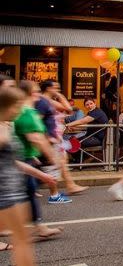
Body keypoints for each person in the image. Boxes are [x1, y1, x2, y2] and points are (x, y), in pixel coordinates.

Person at [1, 86, 56, 266]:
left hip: (14, 192)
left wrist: (41, 174)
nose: (20, 109)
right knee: (22, 241)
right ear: (6, 106)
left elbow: (14, 162)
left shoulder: (7, 127)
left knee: (22, 240)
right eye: (17, 105)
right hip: (5, 194)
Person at [14, 81, 64, 238]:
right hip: (20, 158)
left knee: (28, 191)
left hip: (26, 156)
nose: (38, 94)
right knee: (21, 193)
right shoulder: (27, 113)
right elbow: (36, 138)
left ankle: (37, 226)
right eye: (36, 91)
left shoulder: (26, 111)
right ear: (30, 93)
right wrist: (52, 158)